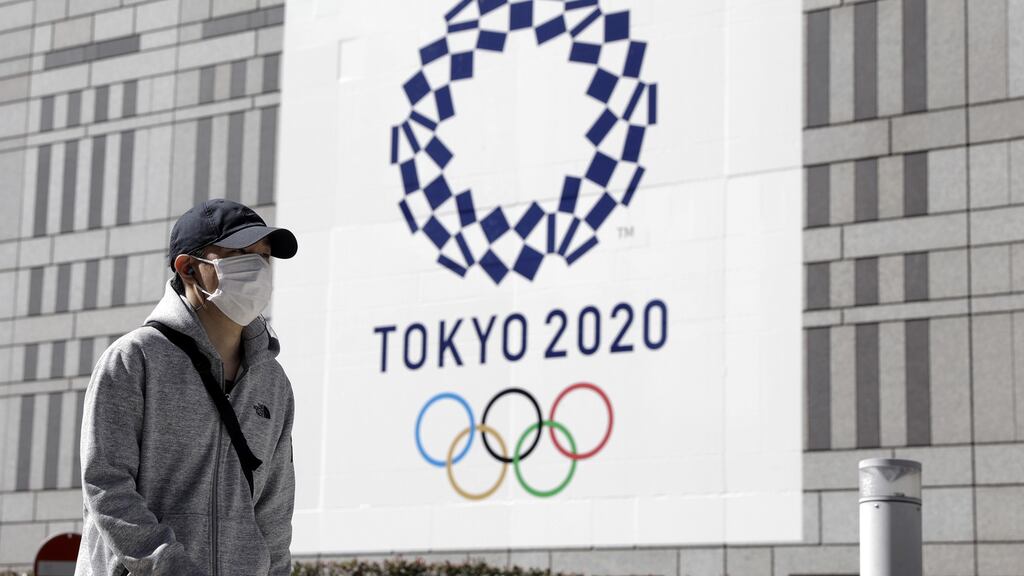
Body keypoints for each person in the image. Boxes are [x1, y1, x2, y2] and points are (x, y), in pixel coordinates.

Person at [75, 199, 299, 576]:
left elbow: (274, 513)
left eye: (264, 257)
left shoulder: (272, 382)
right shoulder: (135, 359)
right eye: (241, 253)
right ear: (189, 268)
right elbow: (107, 485)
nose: (259, 269)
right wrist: (168, 566)